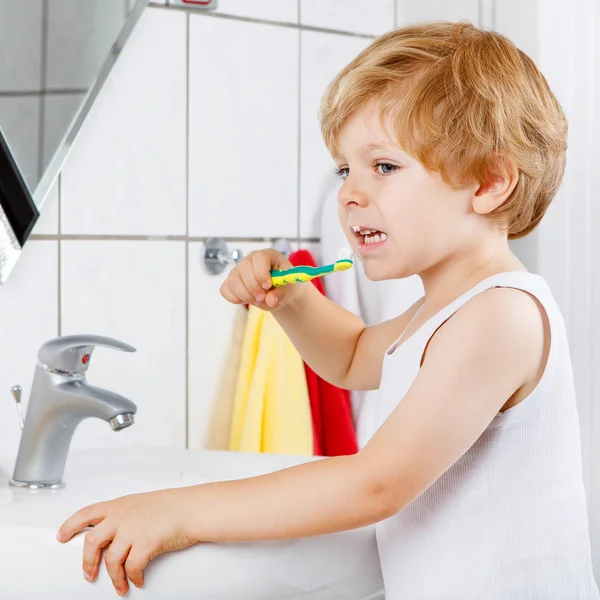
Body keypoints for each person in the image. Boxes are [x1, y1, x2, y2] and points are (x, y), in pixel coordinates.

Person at [57, 21, 599, 598]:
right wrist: (293, 300)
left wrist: (180, 512)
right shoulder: (442, 311)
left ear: (489, 182)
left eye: (383, 167)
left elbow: (376, 485)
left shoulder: (500, 316)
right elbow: (355, 355)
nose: (349, 193)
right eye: (345, 169)